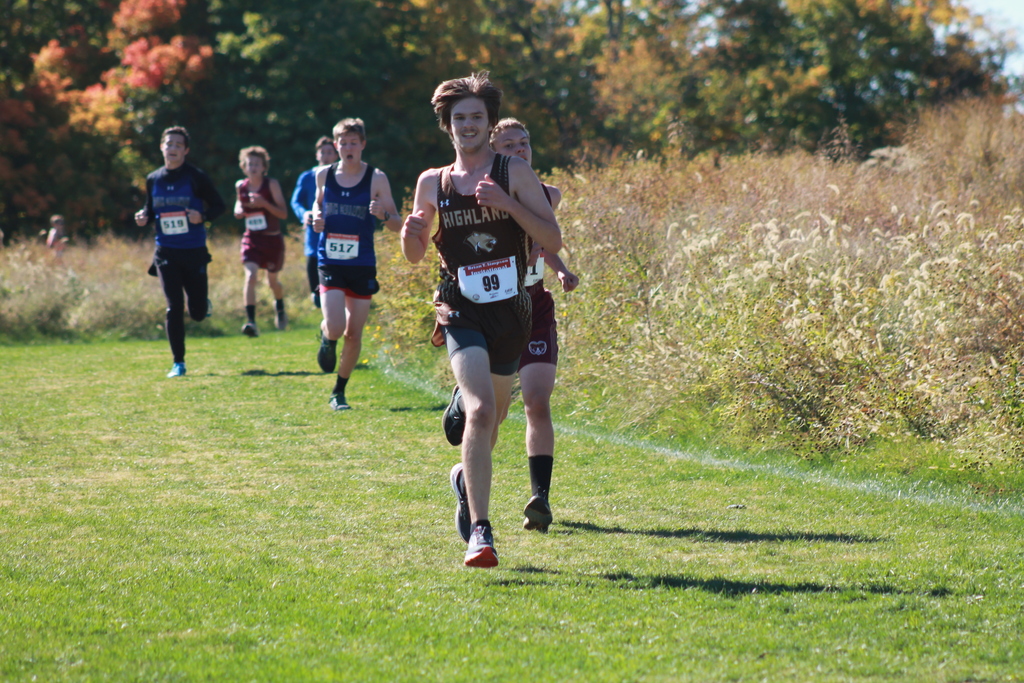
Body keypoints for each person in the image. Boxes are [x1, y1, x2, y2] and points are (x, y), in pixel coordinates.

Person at [401, 73, 562, 568]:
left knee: (494, 417)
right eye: (458, 118)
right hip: (460, 307)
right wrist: (412, 231)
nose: (467, 125)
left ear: (489, 123)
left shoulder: (513, 172)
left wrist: (507, 204)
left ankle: (462, 480)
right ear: (447, 126)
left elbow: (551, 240)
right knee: (479, 411)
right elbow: (413, 254)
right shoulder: (433, 181)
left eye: (476, 117)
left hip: (512, 314)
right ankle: (481, 532)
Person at [443, 117, 580, 535]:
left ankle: (540, 498)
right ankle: (467, 472)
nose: (520, 151)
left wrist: (560, 269)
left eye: (525, 143)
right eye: (509, 145)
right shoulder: (475, 193)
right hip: (490, 309)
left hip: (533, 305)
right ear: (493, 151)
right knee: (492, 417)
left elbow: (539, 238)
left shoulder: (547, 193)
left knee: (538, 399)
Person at [311, 118, 401, 410]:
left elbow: (397, 224)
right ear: (335, 145)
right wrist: (314, 218)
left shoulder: (376, 178)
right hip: (330, 260)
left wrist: (383, 215)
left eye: (353, 142)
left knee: (354, 333)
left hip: (361, 263)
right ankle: (327, 336)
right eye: (343, 143)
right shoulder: (324, 175)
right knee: (336, 326)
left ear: (362, 144)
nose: (348, 148)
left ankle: (339, 391)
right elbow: (317, 204)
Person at [134, 126, 225, 378]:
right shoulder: (153, 178)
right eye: (168, 143)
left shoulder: (196, 177)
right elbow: (150, 209)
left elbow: (219, 205)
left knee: (196, 314)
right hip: (166, 252)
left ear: (185, 150)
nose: (172, 148)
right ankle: (179, 363)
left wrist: (202, 216)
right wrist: (143, 216)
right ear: (161, 147)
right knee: (174, 306)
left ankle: (201, 303)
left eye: (177, 145)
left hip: (194, 250)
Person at [234, 145, 289, 337]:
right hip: (252, 239)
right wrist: (239, 211)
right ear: (244, 167)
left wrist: (264, 203)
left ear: (264, 167)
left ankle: (280, 306)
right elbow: (237, 207)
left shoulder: (271, 184)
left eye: (257, 164)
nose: (253, 167)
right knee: (250, 277)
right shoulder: (240, 186)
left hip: (272, 240)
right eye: (250, 164)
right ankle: (251, 322)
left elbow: (283, 213)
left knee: (272, 282)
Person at [290, 136, 339, 309]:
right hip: (313, 233)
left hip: (335, 233)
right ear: (317, 155)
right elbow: (295, 201)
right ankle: (317, 298)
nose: (326, 156)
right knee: (314, 276)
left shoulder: (341, 176)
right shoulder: (307, 177)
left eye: (329, 152)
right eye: (322, 152)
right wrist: (303, 214)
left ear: (336, 155)